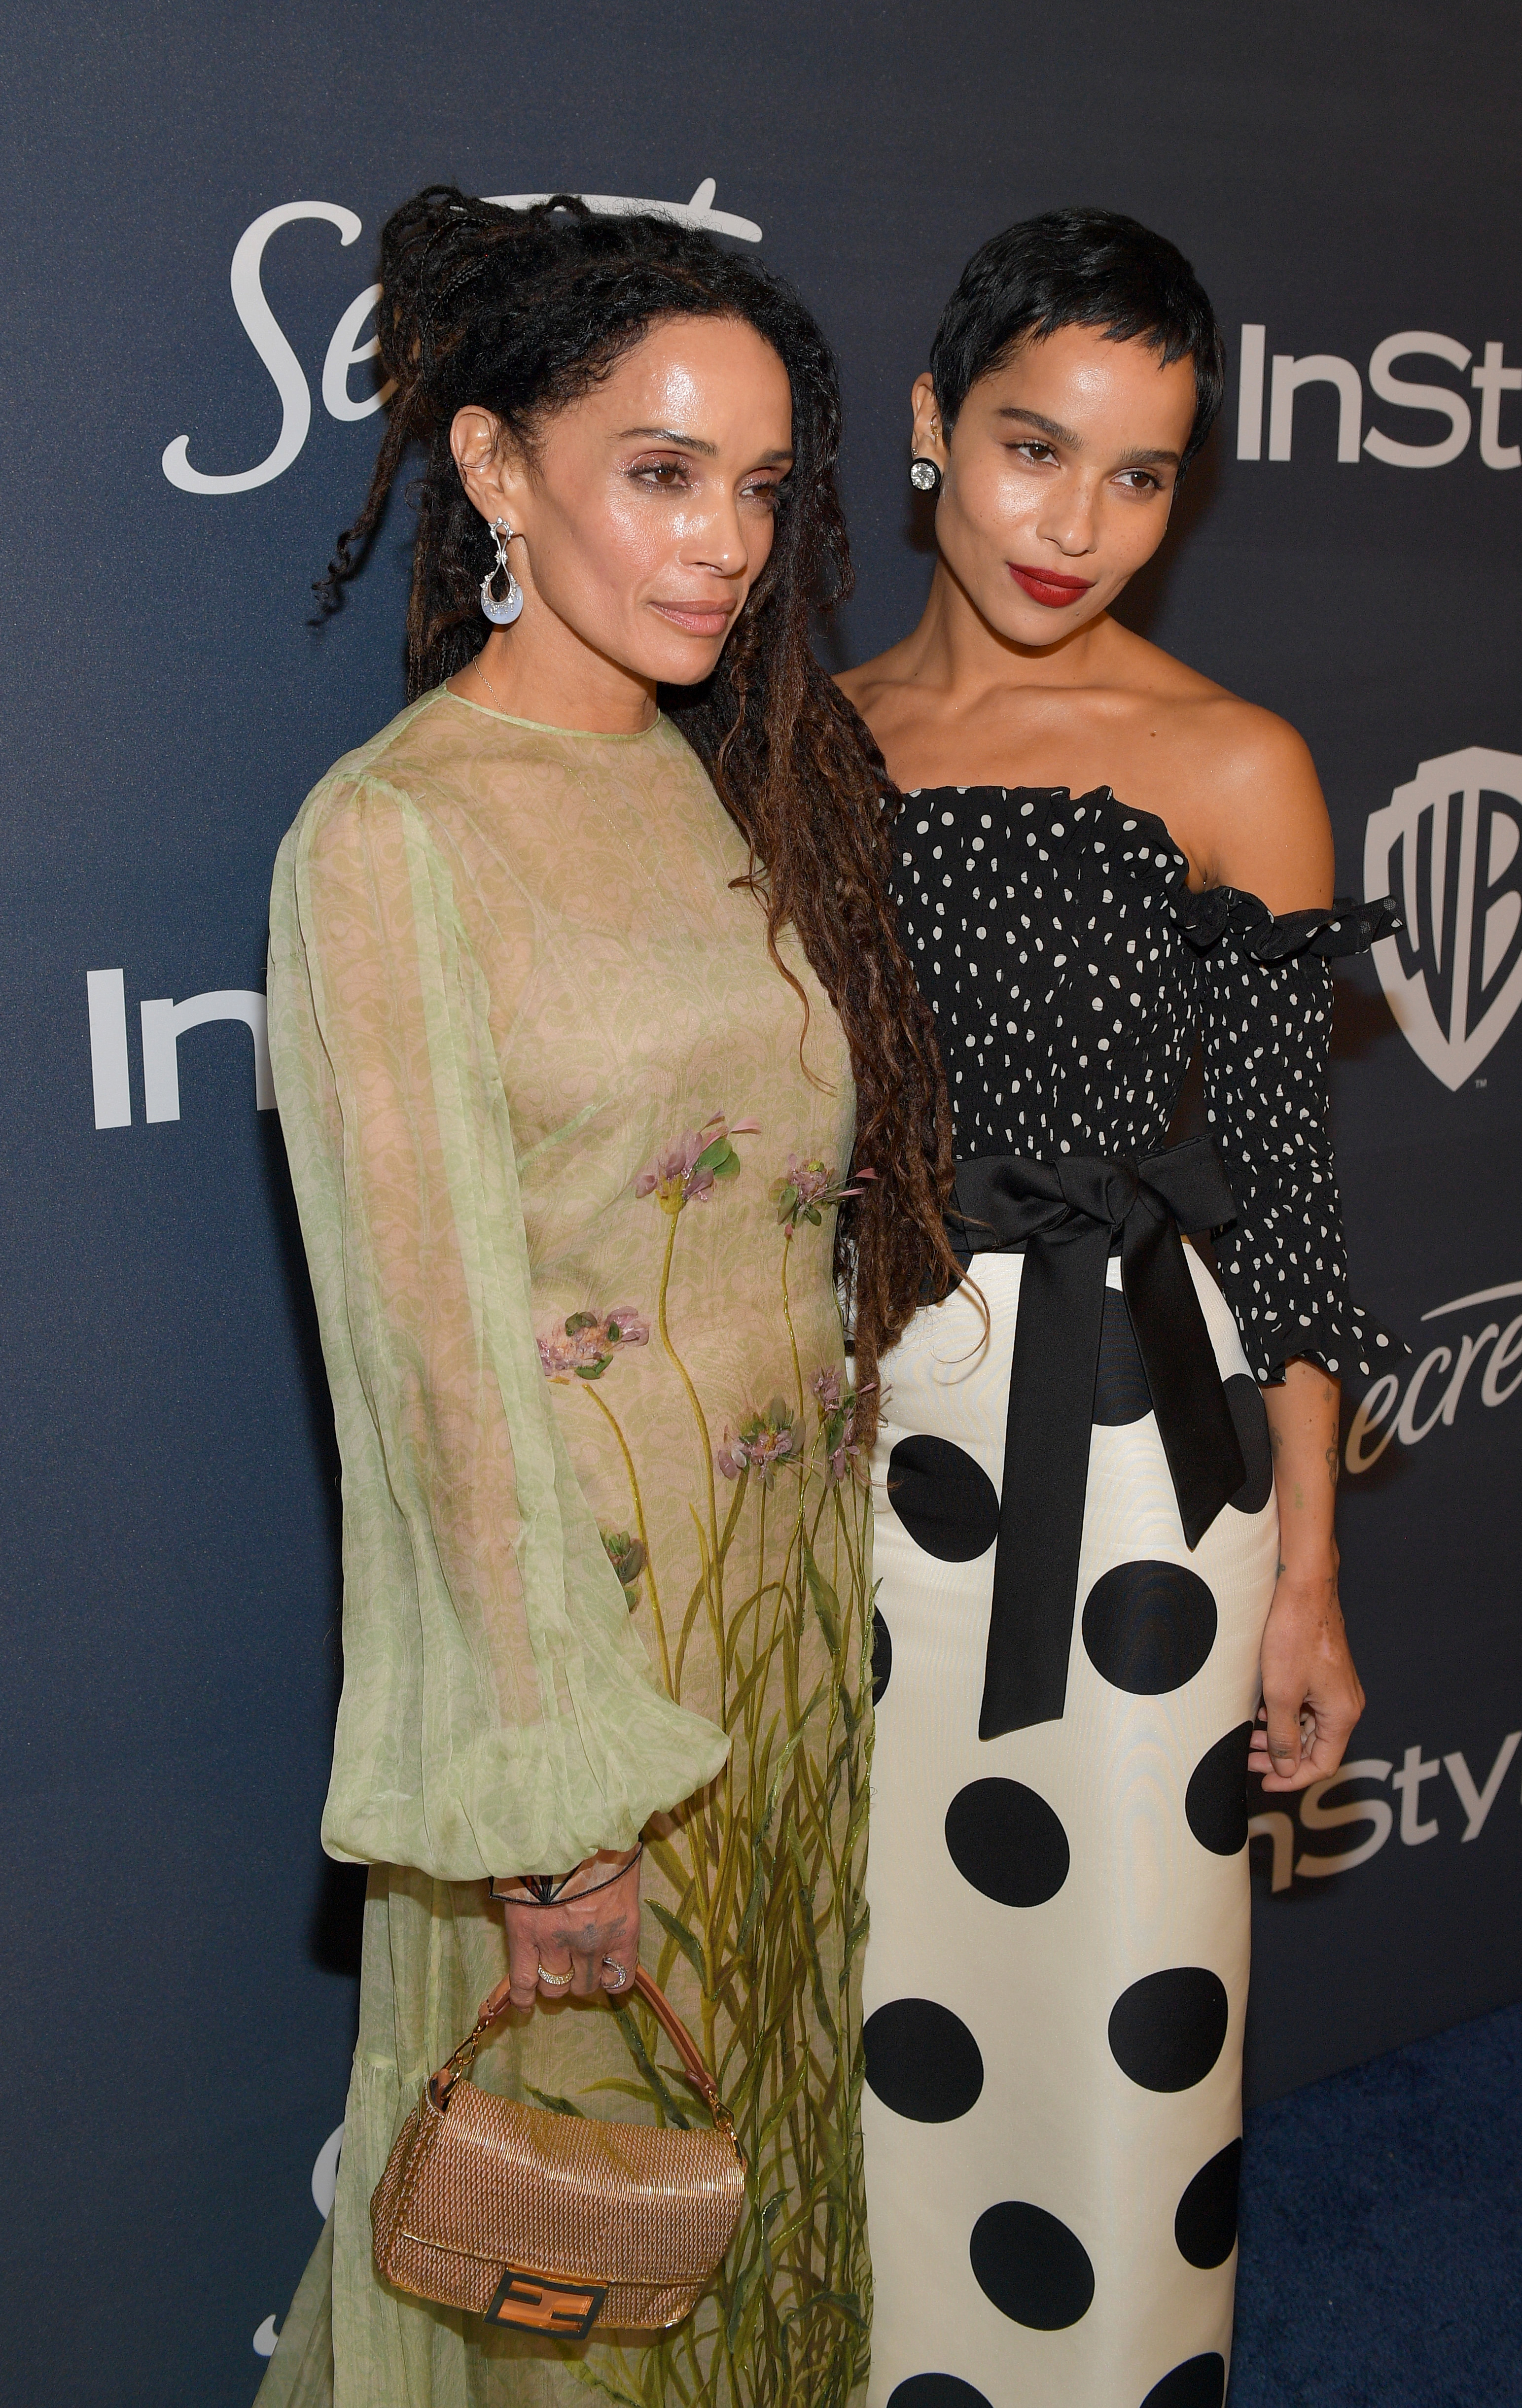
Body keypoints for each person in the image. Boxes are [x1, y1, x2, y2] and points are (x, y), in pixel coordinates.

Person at [258, 187, 956, 2408]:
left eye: (755, 487)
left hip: (770, 1650)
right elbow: (438, 1365)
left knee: (737, 2196)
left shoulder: (704, 775)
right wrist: (558, 1811)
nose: (722, 542)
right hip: (576, 1704)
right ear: (491, 470)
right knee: (579, 2272)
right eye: (658, 474)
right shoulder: (391, 841)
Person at [837, 209, 1401, 2408]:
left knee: (1120, 2008)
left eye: (1140, 474)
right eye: (1028, 449)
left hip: (1138, 1481)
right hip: (856, 1455)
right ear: (923, 435)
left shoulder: (1229, 759)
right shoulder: (797, 741)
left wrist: (1312, 1578)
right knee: (876, 1992)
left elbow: (1282, 1198)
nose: (1076, 524)